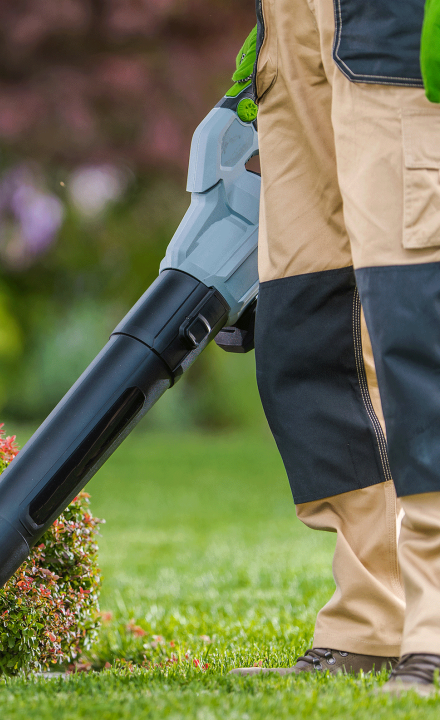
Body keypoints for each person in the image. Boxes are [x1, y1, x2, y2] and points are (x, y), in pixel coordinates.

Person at [224, 0, 440, 696]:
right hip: (298, 34)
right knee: (309, 329)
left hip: (403, 28)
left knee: (416, 330)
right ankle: (373, 620)